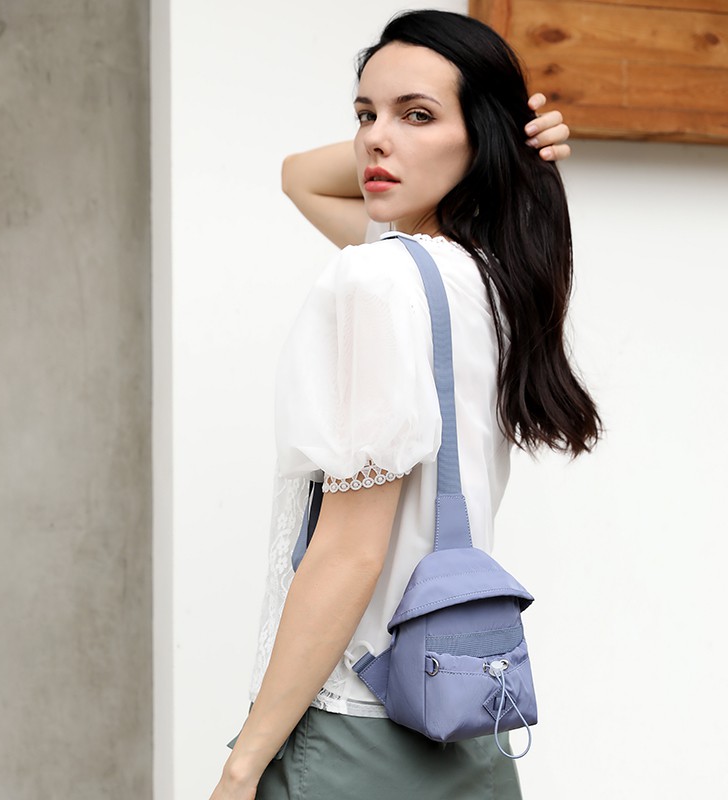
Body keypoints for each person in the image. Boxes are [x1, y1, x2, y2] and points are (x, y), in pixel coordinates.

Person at [209, 10, 599, 800]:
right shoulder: (491, 279)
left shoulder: (383, 278)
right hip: (471, 729)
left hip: (357, 731)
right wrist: (485, 136)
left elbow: (351, 552)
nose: (374, 142)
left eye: (416, 115)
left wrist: (242, 765)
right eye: (365, 114)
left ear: (478, 139)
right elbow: (298, 174)